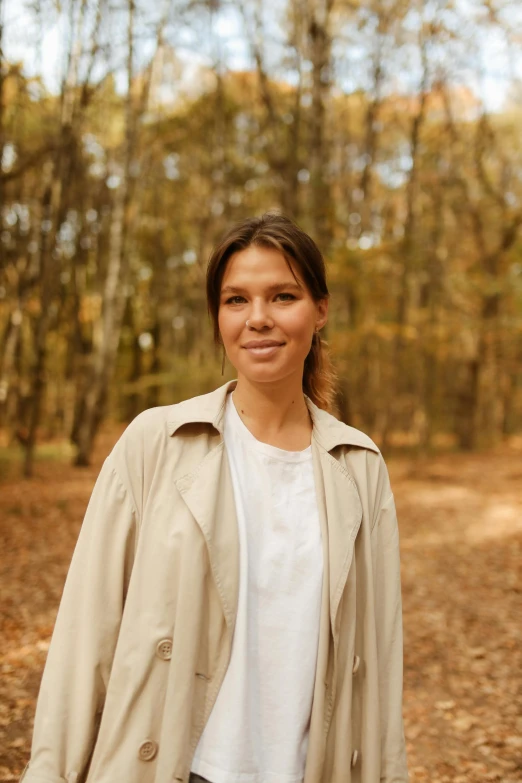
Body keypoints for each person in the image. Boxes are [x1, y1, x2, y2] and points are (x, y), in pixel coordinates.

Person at [20, 213, 409, 783]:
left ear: (319, 310)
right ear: (217, 316)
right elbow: (87, 632)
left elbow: (378, 663)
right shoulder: (157, 443)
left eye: (282, 296)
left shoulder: (359, 467)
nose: (258, 319)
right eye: (235, 300)